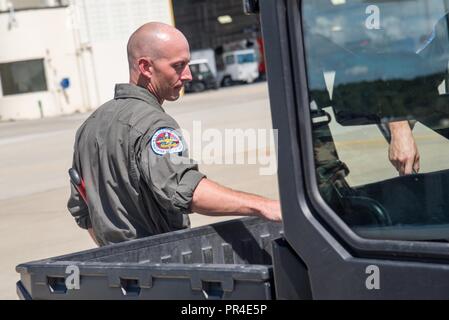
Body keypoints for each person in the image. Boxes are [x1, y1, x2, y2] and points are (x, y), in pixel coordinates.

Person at [67, 22, 281, 246]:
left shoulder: (89, 125)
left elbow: (81, 209)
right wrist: (264, 206)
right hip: (161, 265)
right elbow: (184, 189)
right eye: (178, 66)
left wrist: (116, 252)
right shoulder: (153, 124)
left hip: (118, 270)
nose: (188, 75)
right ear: (146, 67)